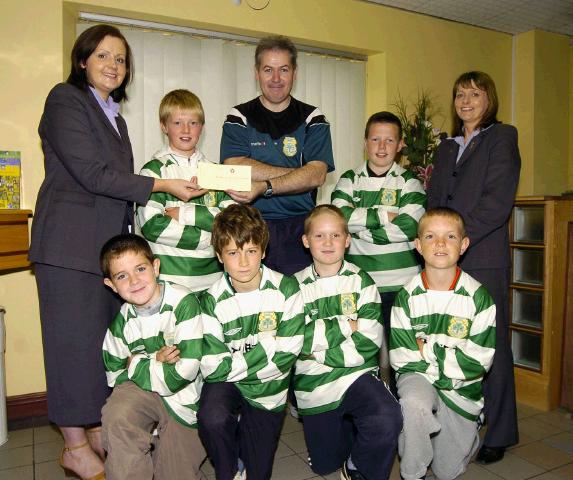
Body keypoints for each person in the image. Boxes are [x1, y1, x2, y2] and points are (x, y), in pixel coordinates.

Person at [29, 25, 197, 479]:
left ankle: (101, 433)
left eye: (121, 60)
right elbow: (92, 174)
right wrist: (163, 185)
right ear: (83, 60)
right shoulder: (66, 100)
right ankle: (74, 446)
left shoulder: (115, 117)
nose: (113, 66)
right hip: (67, 246)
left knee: (101, 347)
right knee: (70, 348)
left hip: (104, 254)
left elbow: (117, 189)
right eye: (103, 56)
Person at [426, 71, 520, 464]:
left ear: (489, 98)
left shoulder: (501, 137)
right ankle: (456, 421)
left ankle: (499, 431)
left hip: (481, 257)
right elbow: (434, 199)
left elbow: (497, 204)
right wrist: (436, 244)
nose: (466, 100)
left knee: (492, 347)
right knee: (450, 341)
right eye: (460, 94)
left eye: (475, 93)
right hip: (445, 260)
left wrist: (456, 242)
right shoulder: (447, 146)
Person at [293, 205, 402, 480]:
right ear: (306, 241)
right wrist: (346, 325)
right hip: (314, 383)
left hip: (356, 375)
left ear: (347, 239)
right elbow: (295, 340)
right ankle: (344, 444)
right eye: (319, 236)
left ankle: (357, 469)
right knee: (324, 465)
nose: (328, 243)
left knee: (388, 416)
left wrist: (318, 348)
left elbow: (368, 342)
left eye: (335, 235)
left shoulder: (362, 283)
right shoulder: (292, 287)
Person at [197, 204, 305, 480]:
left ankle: (248, 450)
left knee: (259, 474)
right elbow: (212, 368)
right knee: (212, 418)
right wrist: (267, 348)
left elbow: (286, 356)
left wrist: (239, 360)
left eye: (251, 251)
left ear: (264, 251)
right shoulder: (211, 300)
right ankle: (230, 468)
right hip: (230, 385)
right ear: (220, 256)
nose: (243, 262)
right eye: (233, 253)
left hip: (269, 391)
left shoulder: (287, 289)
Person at [390, 208, 497, 480]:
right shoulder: (407, 296)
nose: (440, 244)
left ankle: (469, 429)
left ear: (463, 245)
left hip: (461, 387)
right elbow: (402, 358)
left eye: (450, 236)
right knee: (413, 402)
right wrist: (445, 355)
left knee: (447, 472)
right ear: (418, 246)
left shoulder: (479, 298)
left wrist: (428, 348)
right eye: (430, 236)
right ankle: (412, 473)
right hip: (419, 377)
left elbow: (477, 361)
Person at [220, 35, 335, 275]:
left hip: (301, 229)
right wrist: (300, 174)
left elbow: (317, 175)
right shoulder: (238, 116)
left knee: (298, 305)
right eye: (268, 69)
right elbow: (235, 165)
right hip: (250, 229)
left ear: (295, 72)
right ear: (256, 73)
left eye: (283, 69)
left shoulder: (313, 118)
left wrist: (264, 186)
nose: (275, 79)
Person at [331, 111, 426, 393]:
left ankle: (404, 416)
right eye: (375, 139)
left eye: (389, 140)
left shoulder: (410, 183)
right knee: (362, 354)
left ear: (400, 145)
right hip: (361, 284)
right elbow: (339, 219)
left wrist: (359, 225)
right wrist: (386, 216)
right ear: (365, 142)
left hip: (402, 285)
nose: (382, 147)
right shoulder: (349, 180)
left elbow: (410, 226)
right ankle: (370, 418)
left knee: (403, 355)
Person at [100, 234, 206, 480]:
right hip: (145, 392)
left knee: (172, 472)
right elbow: (116, 377)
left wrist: (138, 362)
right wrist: (156, 363)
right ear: (111, 285)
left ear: (155, 267)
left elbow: (183, 373)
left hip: (187, 400)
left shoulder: (184, 303)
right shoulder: (120, 325)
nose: (134, 281)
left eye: (140, 269)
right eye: (122, 276)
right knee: (118, 415)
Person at [138, 89, 234, 292]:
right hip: (169, 281)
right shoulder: (154, 170)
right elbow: (153, 226)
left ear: (202, 127)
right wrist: (210, 239)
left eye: (193, 123)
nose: (186, 130)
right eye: (177, 123)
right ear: (164, 126)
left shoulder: (217, 172)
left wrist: (184, 214)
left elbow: (231, 221)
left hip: (214, 282)